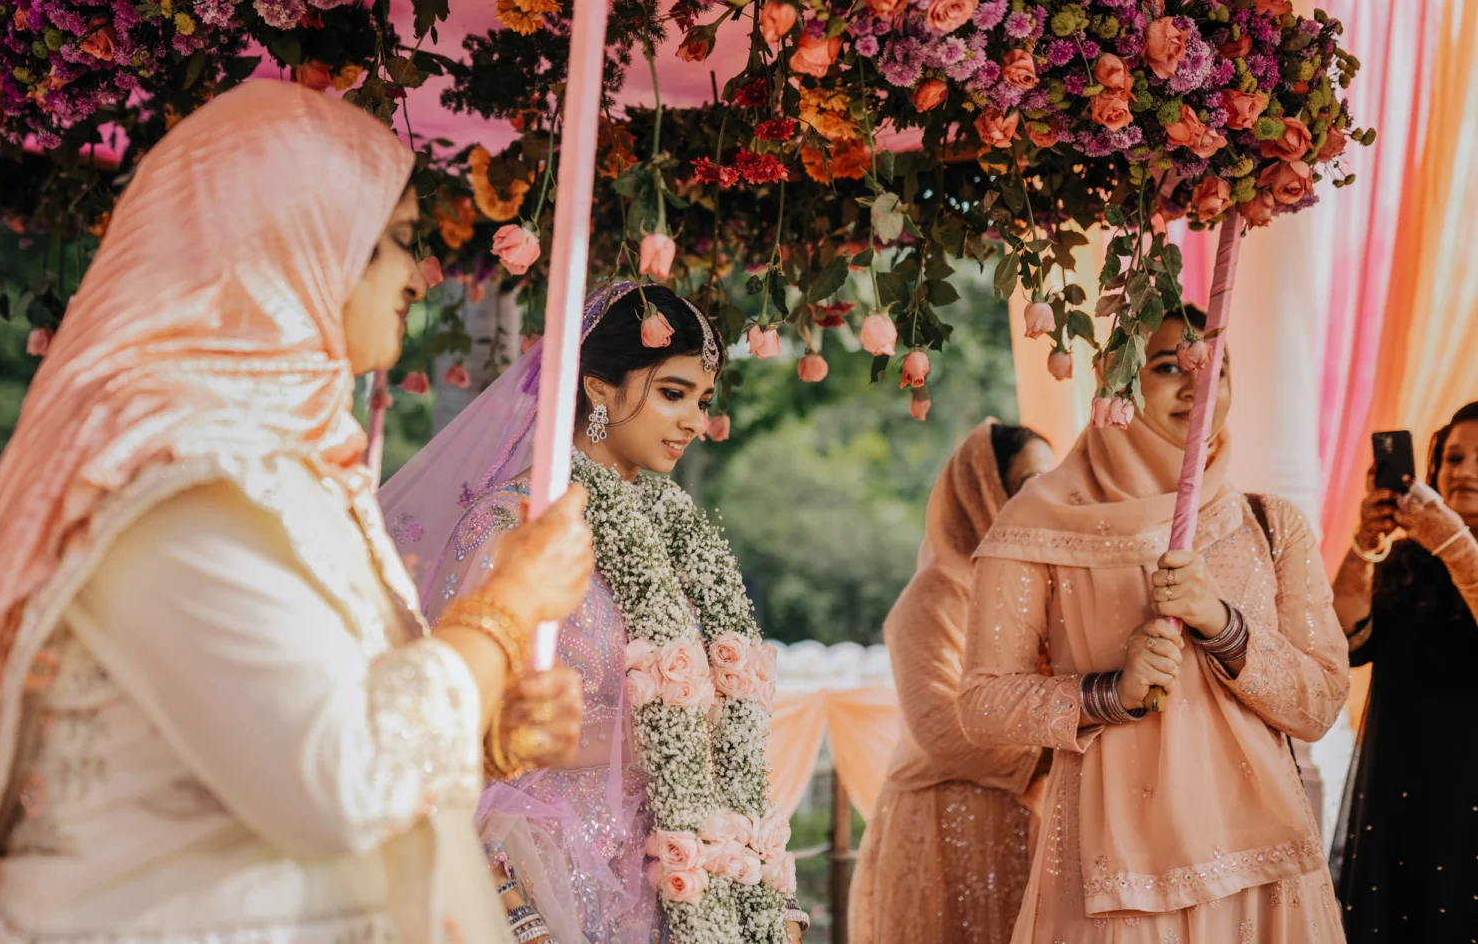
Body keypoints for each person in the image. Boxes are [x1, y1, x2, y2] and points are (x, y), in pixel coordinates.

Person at [0, 80, 596, 944]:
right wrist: (504, 611)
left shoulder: (296, 467)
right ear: (297, 240)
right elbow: (333, 781)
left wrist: (481, 730)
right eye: (397, 241)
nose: (418, 274)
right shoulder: (181, 470)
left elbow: (279, 732)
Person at [382, 283, 808, 944]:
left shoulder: (680, 540)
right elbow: (457, 724)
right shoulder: (515, 527)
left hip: (672, 874)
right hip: (541, 866)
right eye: (673, 392)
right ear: (599, 389)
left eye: (701, 399)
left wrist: (762, 878)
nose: (695, 420)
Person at [958, 309, 1349, 943]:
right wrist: (1110, 692)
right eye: (1169, 368)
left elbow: (1321, 702)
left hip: (1262, 872)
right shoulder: (1039, 526)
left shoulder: (1269, 525)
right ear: (1116, 385)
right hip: (1114, 880)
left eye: (1214, 369)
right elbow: (981, 706)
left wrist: (1223, 625)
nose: (1198, 389)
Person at [849, 419, 1058, 944]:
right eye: (1028, 482)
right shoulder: (934, 597)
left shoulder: (1038, 591)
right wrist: (1053, 750)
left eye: (1052, 481)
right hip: (942, 828)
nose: (1047, 497)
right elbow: (938, 729)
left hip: (1019, 820)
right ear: (983, 492)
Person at [1331, 401, 1478, 940]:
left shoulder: (1445, 548)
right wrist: (1364, 545)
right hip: (1402, 788)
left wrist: (1452, 541)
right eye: (1454, 457)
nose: (1463, 472)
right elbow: (1340, 640)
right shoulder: (1405, 560)